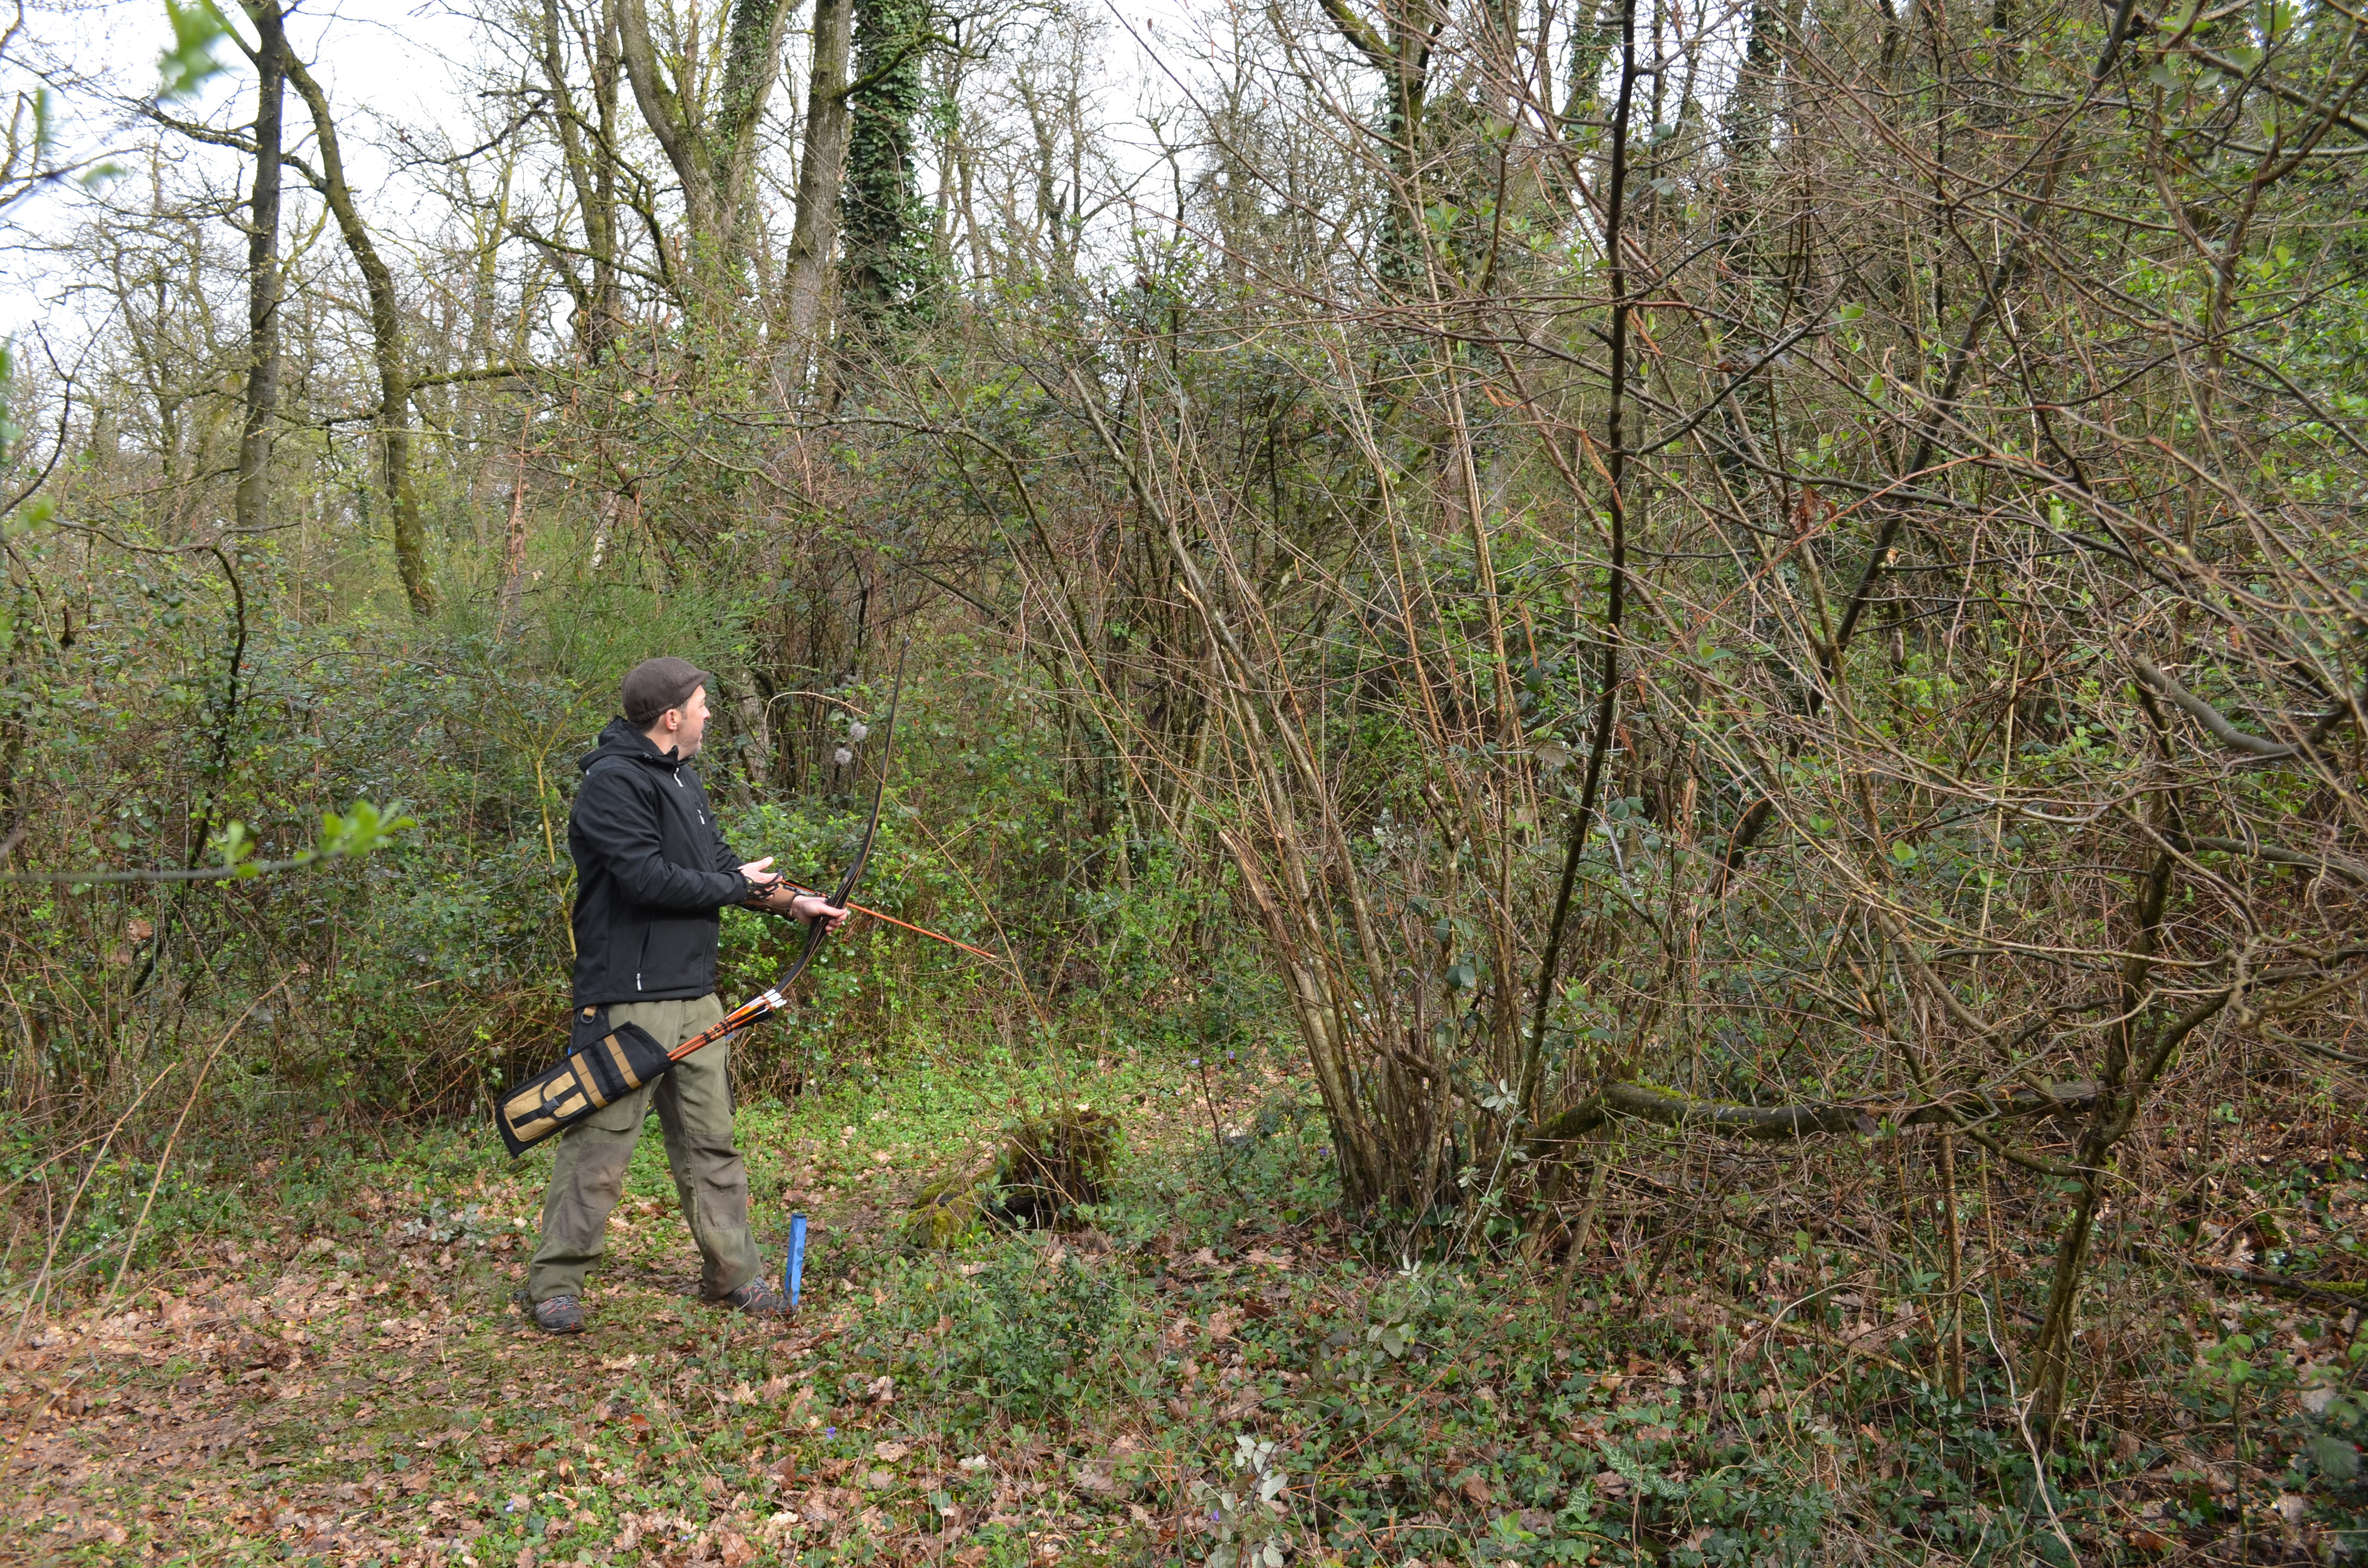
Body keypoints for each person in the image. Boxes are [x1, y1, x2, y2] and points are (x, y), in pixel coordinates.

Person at [526, 656, 845, 1334]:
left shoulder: (685, 781)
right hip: (627, 1002)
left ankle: (733, 1274)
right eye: (701, 705)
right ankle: (556, 1283)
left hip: (696, 997)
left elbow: (721, 867)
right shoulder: (611, 785)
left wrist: (795, 904)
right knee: (599, 1148)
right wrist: (734, 886)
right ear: (672, 717)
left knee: (712, 1143)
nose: (708, 715)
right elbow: (647, 879)